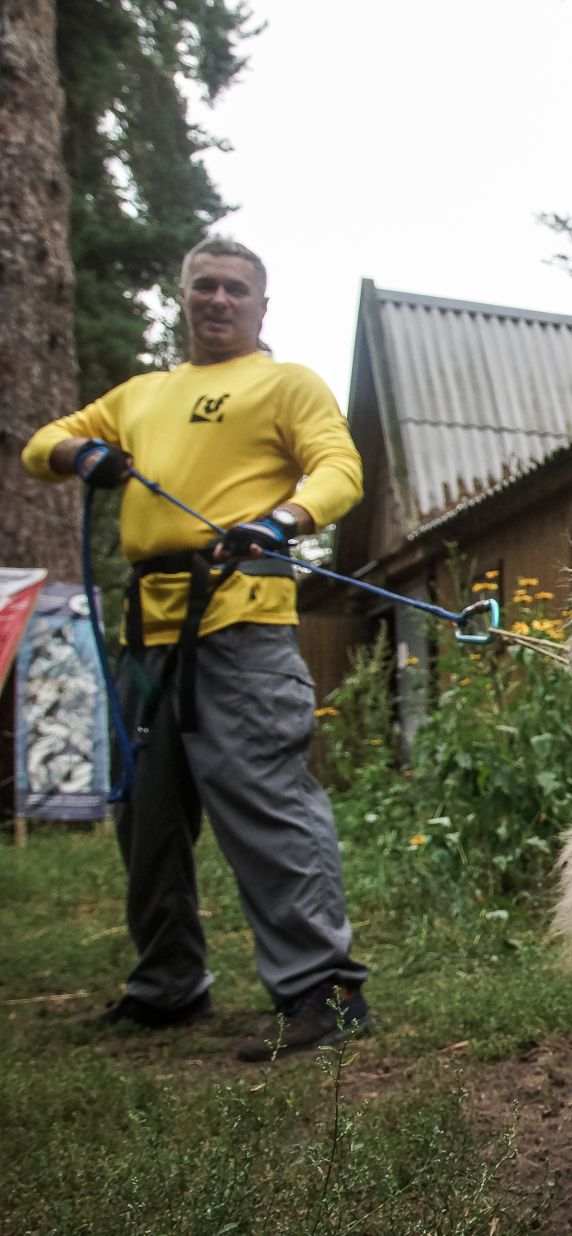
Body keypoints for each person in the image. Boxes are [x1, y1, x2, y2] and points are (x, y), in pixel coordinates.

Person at [20, 236, 371, 1061]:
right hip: (149, 630)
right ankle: (167, 986)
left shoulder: (285, 384)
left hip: (241, 618)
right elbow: (41, 445)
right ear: (182, 296)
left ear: (261, 307)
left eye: (235, 290)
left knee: (266, 800)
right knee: (146, 814)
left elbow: (339, 470)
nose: (218, 300)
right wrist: (84, 452)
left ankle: (324, 991)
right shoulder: (143, 394)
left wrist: (280, 520)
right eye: (204, 287)